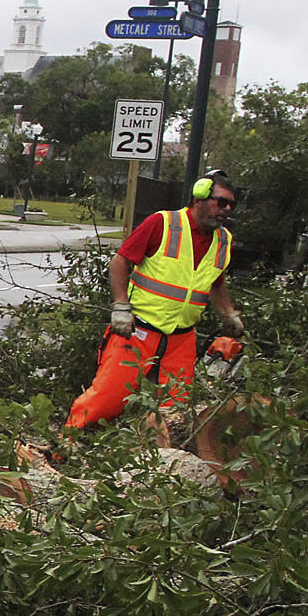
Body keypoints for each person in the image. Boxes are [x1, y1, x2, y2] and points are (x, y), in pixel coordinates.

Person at [65, 171, 247, 434]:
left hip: (181, 338)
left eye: (231, 204)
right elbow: (120, 261)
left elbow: (216, 282)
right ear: (199, 198)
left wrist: (228, 313)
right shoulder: (164, 223)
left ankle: (159, 461)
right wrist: (120, 307)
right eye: (221, 202)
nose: (227, 209)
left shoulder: (223, 240)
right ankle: (65, 447)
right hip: (139, 331)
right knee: (107, 399)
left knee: (178, 412)